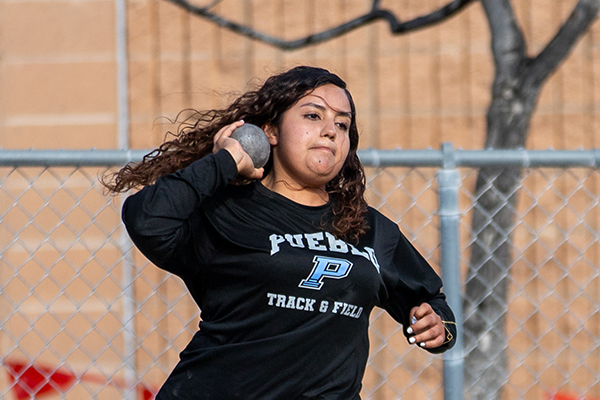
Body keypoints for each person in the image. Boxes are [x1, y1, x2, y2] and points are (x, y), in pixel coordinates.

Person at [103, 66, 456, 399]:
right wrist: (224, 163)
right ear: (269, 131)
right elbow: (147, 219)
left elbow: (433, 302)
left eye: (343, 124)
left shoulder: (369, 228)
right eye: (313, 115)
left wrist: (438, 326)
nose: (331, 130)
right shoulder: (227, 210)